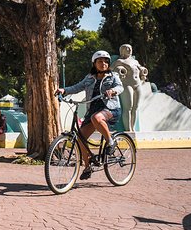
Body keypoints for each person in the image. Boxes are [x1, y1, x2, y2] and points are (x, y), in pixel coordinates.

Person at [56, 50, 124, 180]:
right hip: (93, 110)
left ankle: (111, 142)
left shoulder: (113, 76)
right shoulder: (89, 78)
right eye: (100, 61)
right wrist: (64, 90)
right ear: (94, 63)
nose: (103, 63)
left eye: (106, 61)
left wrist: (113, 90)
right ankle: (88, 167)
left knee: (96, 118)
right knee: (80, 138)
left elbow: (120, 87)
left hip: (110, 109)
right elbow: (78, 87)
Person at [111, 44, 148, 131]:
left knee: (135, 107)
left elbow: (140, 67)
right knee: (128, 107)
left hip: (137, 83)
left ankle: (133, 128)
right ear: (122, 50)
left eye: (130, 48)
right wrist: (119, 69)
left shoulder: (135, 61)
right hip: (127, 84)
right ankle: (128, 129)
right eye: (127, 48)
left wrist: (143, 70)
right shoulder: (119, 61)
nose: (129, 50)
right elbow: (110, 69)